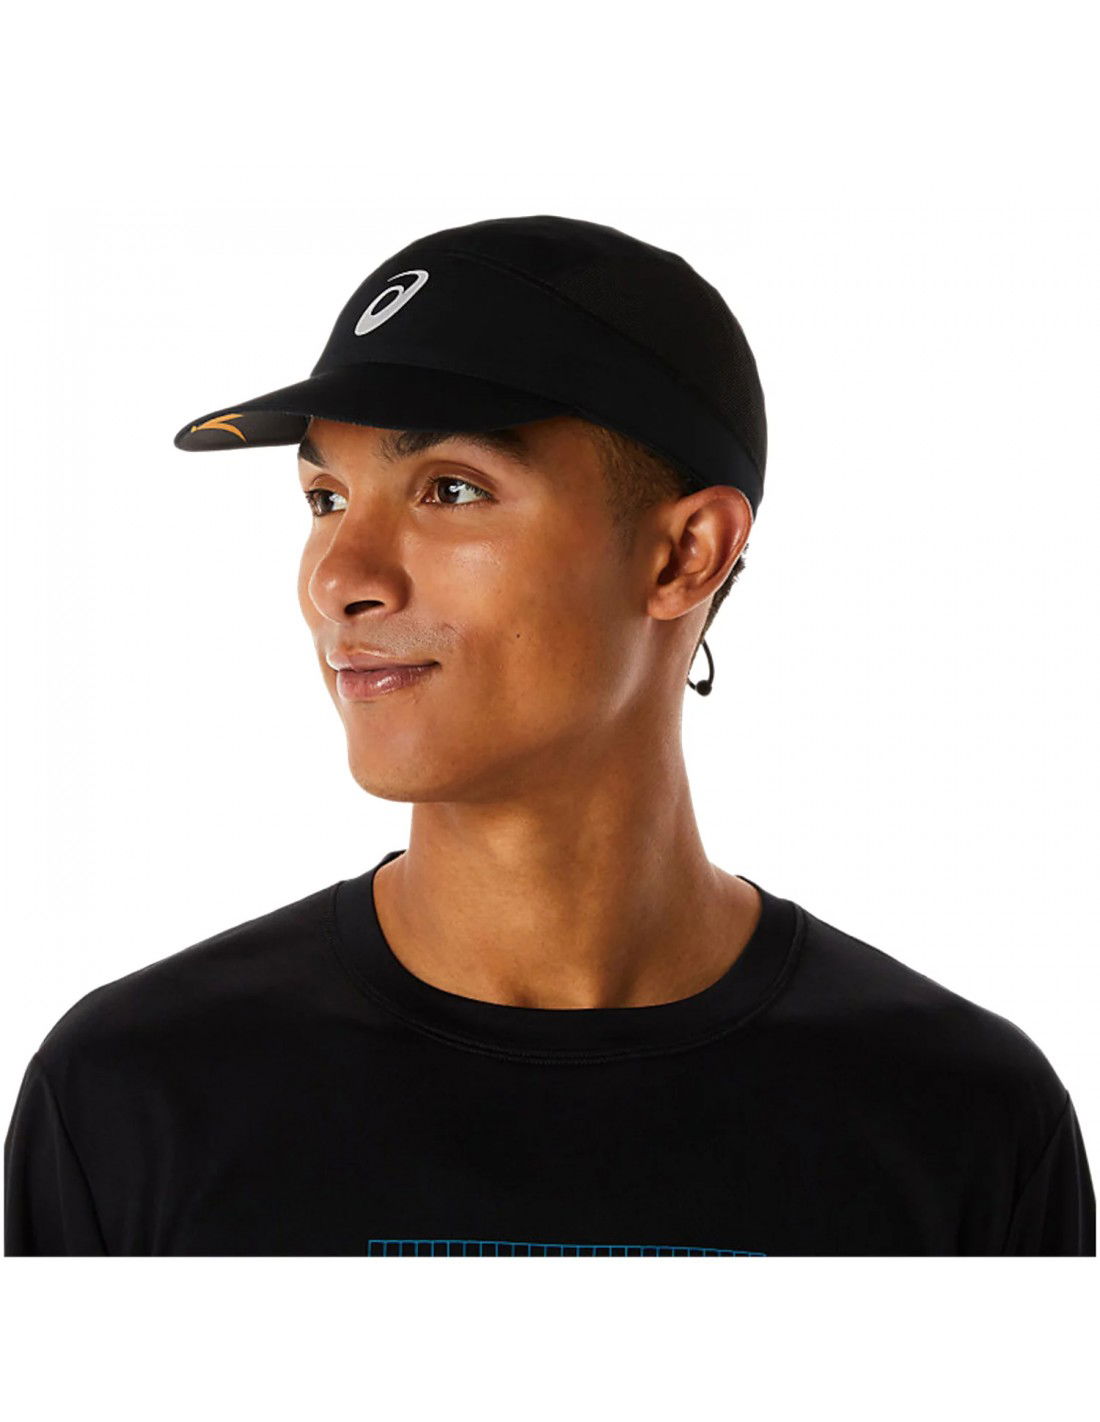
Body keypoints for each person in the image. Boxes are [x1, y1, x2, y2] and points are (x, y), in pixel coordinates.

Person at [4, 214, 1094, 1256]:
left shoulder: (964, 1124)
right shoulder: (130, 1099)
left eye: (450, 489)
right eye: (325, 499)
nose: (340, 580)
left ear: (685, 556)